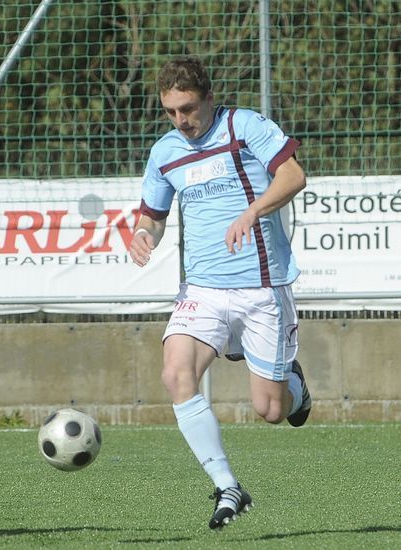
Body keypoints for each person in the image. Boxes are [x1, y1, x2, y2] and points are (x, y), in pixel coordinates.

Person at [128, 56, 312, 530]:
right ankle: (228, 485)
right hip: (203, 290)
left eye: (188, 108)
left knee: (270, 410)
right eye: (170, 111)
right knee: (175, 373)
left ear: (209, 98)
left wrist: (253, 211)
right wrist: (143, 233)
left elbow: (293, 176)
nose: (181, 120)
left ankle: (295, 385)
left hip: (261, 287)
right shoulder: (165, 151)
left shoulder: (244, 126)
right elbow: (153, 214)